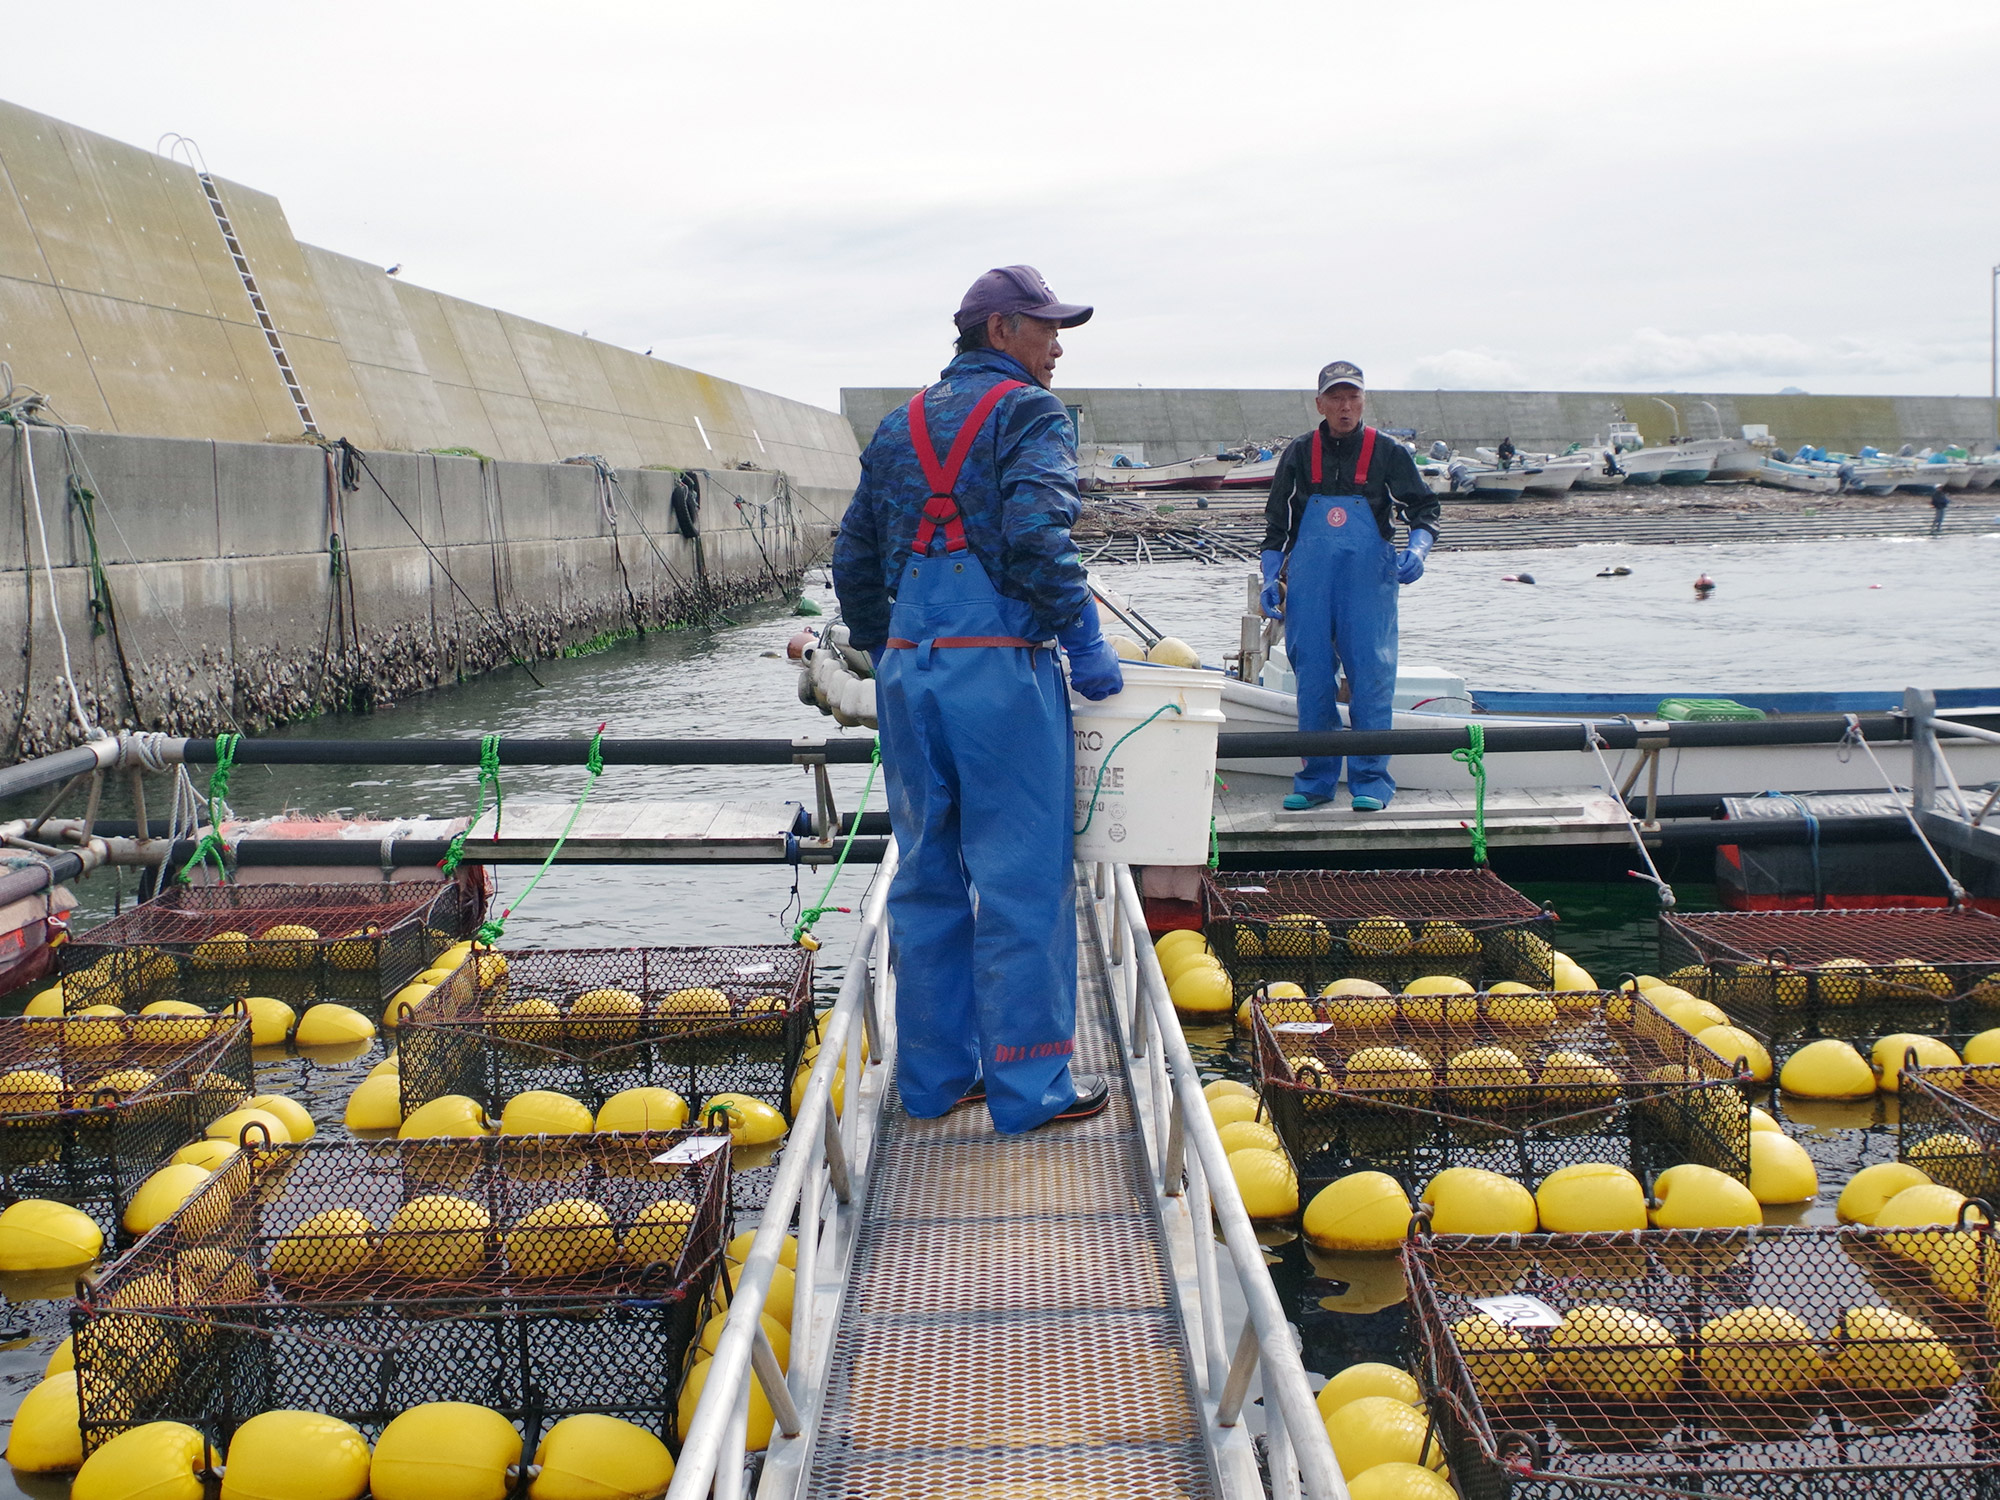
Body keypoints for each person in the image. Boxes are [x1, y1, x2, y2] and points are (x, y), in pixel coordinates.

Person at [832, 265, 1121, 1132]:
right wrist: (1084, 641)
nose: (1058, 345)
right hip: (999, 670)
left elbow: (852, 559)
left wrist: (895, 648)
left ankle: (932, 1080)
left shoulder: (895, 426)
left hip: (910, 669)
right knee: (1022, 878)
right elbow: (1037, 536)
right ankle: (1030, 1090)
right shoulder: (1031, 413)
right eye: (1046, 328)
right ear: (1001, 332)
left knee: (925, 873)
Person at [1259, 361, 1440, 811]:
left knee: (1371, 679)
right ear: (1319, 403)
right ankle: (1315, 780)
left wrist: (1417, 550)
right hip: (1310, 586)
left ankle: (1371, 781)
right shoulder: (1299, 453)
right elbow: (1276, 526)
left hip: (1367, 586)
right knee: (1313, 680)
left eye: (1353, 397)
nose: (1345, 406)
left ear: (1364, 400)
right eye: (1336, 398)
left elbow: (1425, 508)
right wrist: (1268, 577)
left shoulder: (1389, 452)